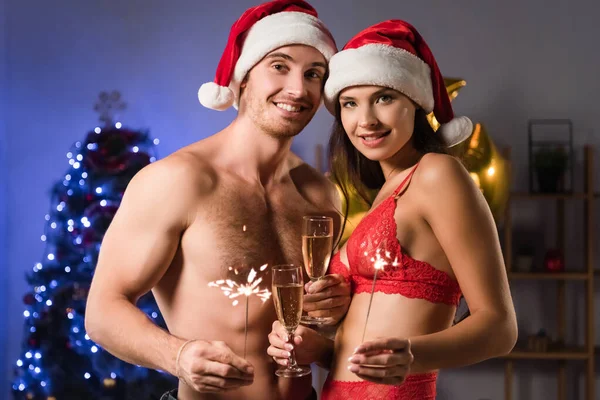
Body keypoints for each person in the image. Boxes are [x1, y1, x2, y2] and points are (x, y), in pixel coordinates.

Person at [85, 1, 351, 399]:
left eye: (314, 74)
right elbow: (103, 311)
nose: (298, 89)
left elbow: (320, 330)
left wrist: (333, 313)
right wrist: (179, 356)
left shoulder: (322, 195)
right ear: (243, 78)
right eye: (279, 66)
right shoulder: (179, 180)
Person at [267, 19, 518, 399]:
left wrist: (414, 354)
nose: (365, 120)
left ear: (415, 103)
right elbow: (365, 347)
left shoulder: (438, 174)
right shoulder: (385, 192)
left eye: (384, 98)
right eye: (350, 103)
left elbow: (500, 328)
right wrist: (319, 350)